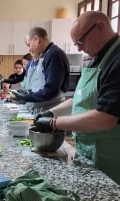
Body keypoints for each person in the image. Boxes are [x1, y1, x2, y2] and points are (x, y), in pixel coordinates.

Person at [35, 11, 120, 185]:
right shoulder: (97, 58)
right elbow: (80, 99)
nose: (79, 48)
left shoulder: (116, 61)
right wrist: (50, 113)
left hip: (110, 156)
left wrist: (54, 124)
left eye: (80, 41)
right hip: (89, 150)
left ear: (100, 27)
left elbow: (106, 119)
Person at [11, 27, 70, 112]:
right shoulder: (46, 55)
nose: (29, 48)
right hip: (44, 109)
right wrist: (23, 93)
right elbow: (39, 86)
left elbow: (51, 90)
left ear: (37, 40)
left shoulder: (54, 54)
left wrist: (25, 97)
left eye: (29, 44)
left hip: (51, 111)